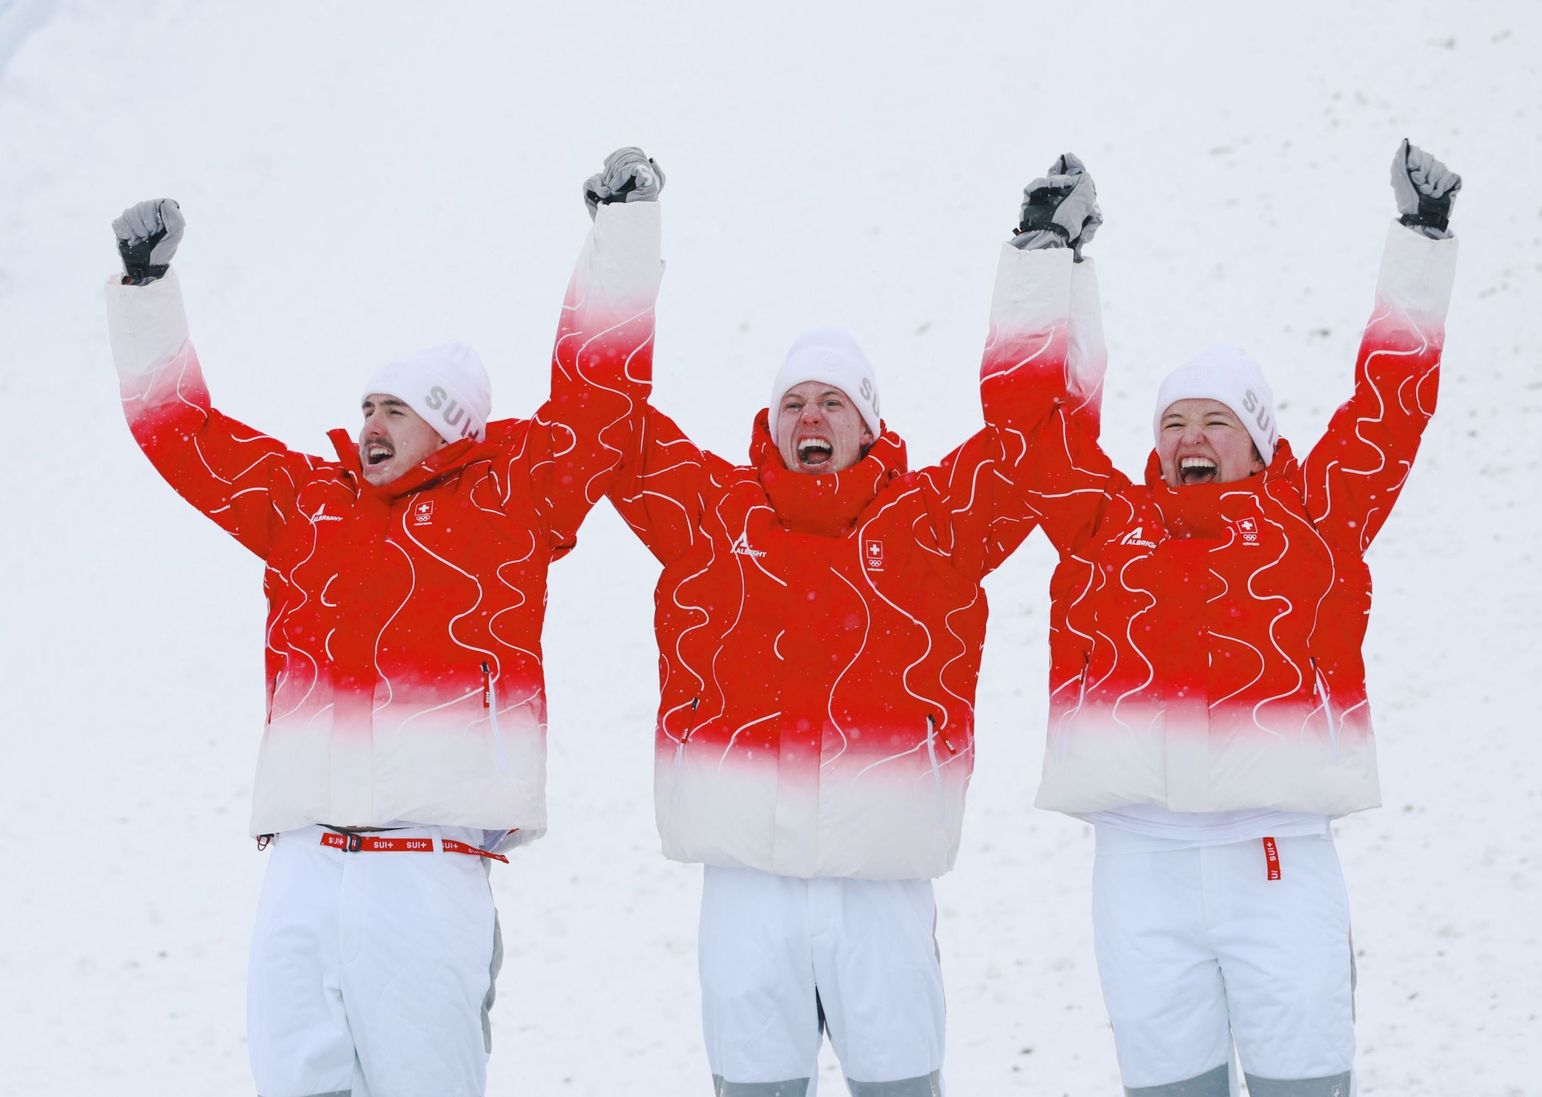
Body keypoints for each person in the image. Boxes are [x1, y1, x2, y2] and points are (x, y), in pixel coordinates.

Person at [104, 153, 663, 1097]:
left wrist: (622, 234)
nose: (368, 423)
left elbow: (599, 402)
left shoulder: (513, 499)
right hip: (301, 865)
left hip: (427, 870)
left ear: (449, 424)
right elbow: (184, 435)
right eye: (366, 406)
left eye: (394, 410)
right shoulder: (305, 503)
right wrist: (145, 289)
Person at [590, 152, 1102, 1097]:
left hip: (882, 888)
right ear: (770, 424)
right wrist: (623, 237)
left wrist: (1046, 258)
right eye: (793, 403)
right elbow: (606, 420)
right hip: (743, 888)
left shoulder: (933, 524)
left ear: (869, 425)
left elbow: (1038, 437)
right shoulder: (711, 515)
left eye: (832, 401)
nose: (810, 416)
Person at [1005, 142, 1461, 1096]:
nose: (1190, 438)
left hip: (1278, 862)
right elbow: (1030, 423)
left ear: (1256, 442)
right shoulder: (1106, 524)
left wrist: (1421, 241)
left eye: (1215, 421)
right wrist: (1047, 258)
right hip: (1139, 866)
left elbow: (1389, 412)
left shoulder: (1315, 519)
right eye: (1174, 423)